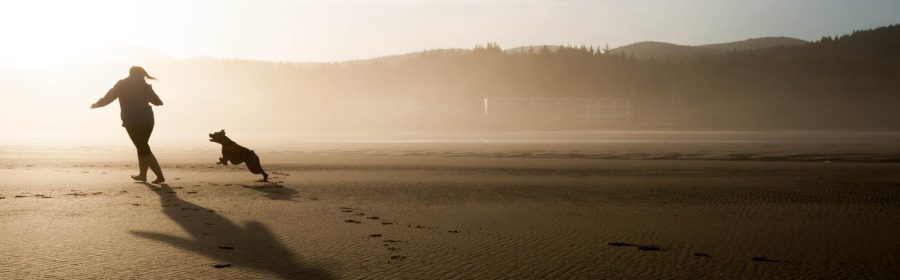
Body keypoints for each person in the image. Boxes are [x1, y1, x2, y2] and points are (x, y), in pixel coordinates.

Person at [91, 66, 165, 183]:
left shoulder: (122, 84)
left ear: (130, 74)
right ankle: (142, 175)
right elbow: (158, 102)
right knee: (141, 146)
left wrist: (97, 104)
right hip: (148, 121)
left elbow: (109, 97)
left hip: (132, 121)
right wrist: (150, 95)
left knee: (143, 147)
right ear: (141, 74)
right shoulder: (144, 86)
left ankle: (159, 175)